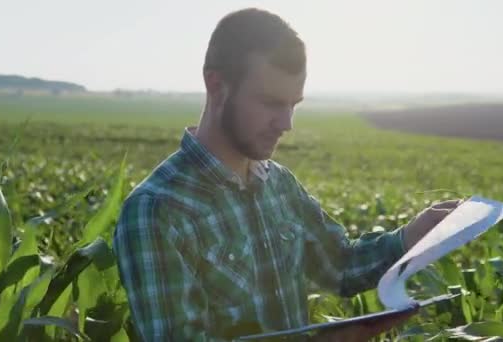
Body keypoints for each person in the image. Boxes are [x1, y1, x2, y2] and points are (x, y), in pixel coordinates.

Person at [112, 8, 460, 342]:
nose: (286, 124)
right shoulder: (157, 211)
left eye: (293, 104)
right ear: (217, 85)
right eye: (270, 103)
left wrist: (413, 236)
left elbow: (338, 266)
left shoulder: (278, 184)